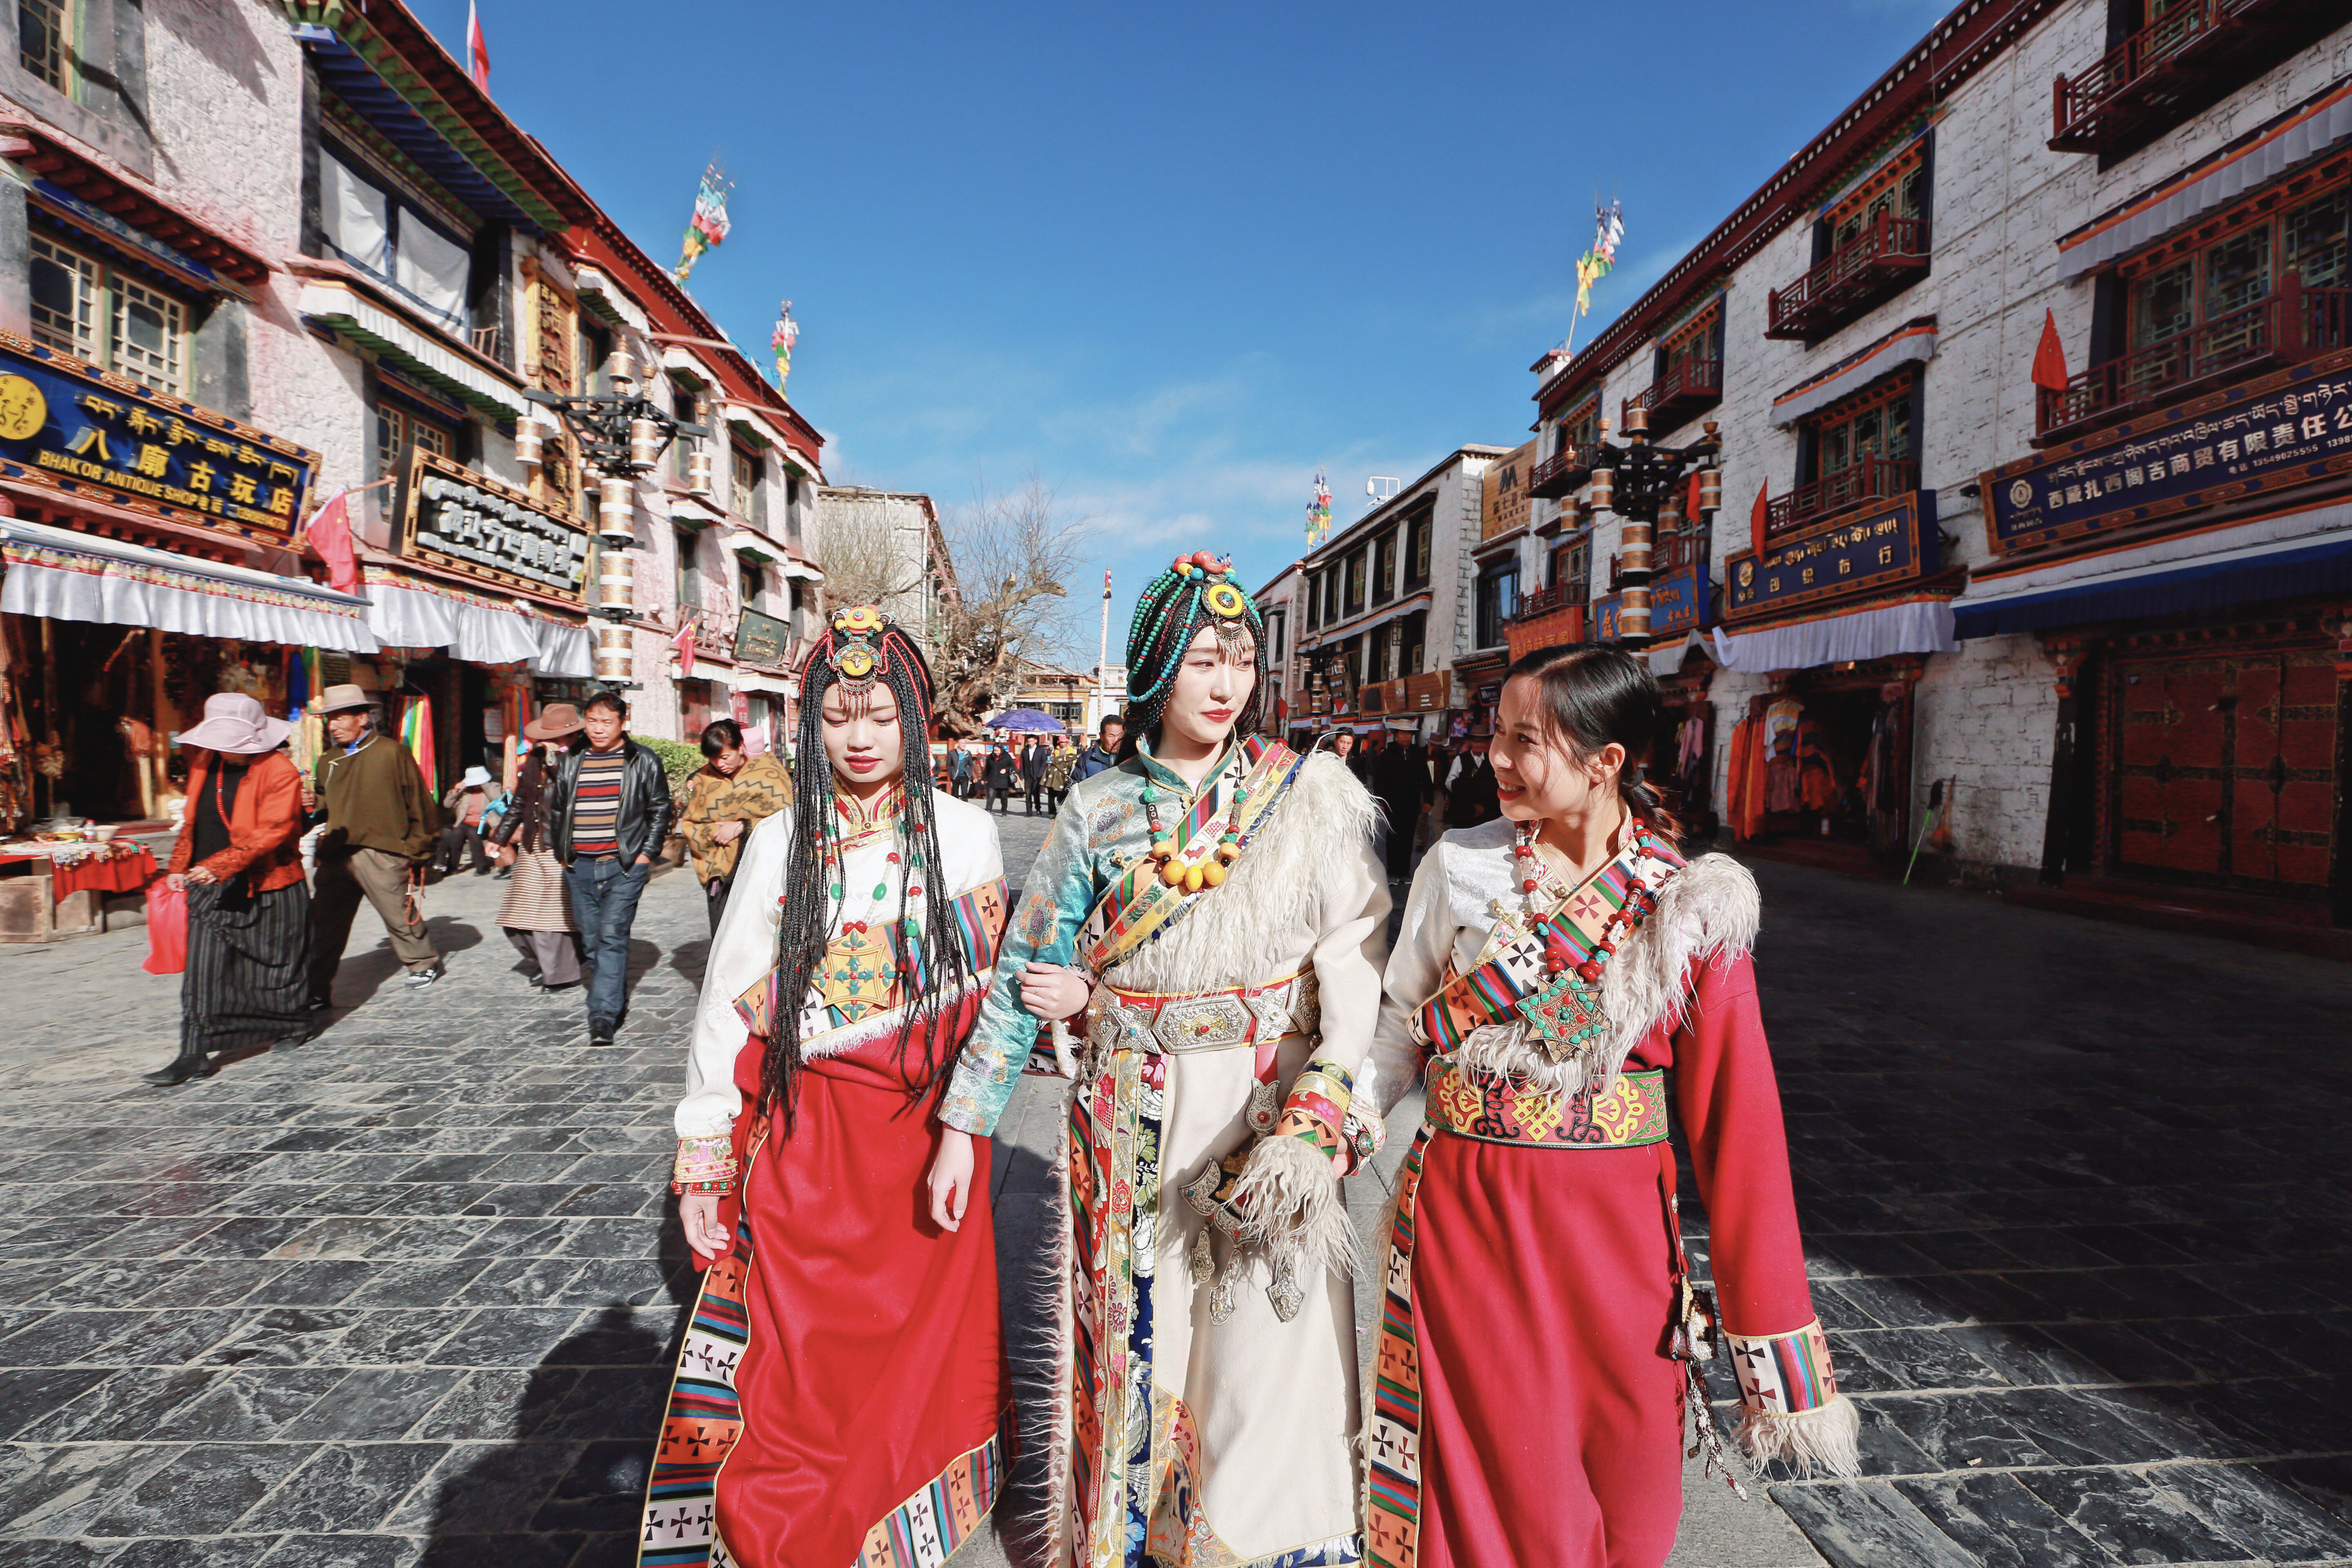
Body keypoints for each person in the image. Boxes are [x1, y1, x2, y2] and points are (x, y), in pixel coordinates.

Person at [929, 550, 1389, 1566]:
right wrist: (965, 1125)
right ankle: (1136, 1536)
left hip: (1266, 1107)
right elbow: (1024, 971)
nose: (1225, 685)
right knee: (1144, 1333)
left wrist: (1322, 1106)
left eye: (1240, 661)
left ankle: (1263, 1544)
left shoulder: (1307, 799)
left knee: (1268, 1346)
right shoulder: (1097, 809)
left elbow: (1353, 961)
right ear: (1153, 673)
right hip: (1133, 1114)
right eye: (1200, 662)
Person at [1363, 647, 1858, 1568]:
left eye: (1525, 740)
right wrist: (1332, 1133)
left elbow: (1739, 1125)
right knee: (1489, 1479)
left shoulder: (1689, 906)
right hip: (1470, 1224)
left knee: (1627, 1492)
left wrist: (1772, 1339)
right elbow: (1401, 1026)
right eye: (1496, 735)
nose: (1496, 759)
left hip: (1619, 1243)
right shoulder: (1460, 866)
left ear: (1606, 761)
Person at [644, 604, 1013, 1567]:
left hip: (924, 1136)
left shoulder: (967, 835)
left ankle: (891, 1523)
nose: (859, 739)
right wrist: (703, 1154)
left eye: (881, 716)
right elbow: (729, 1003)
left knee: (915, 1357)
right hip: (809, 1136)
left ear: (915, 721)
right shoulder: (779, 840)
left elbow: (986, 1015)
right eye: (838, 717)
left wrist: (966, 1132)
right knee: (799, 1357)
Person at [145, 694, 312, 1087]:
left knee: (278, 966)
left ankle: (293, 1024)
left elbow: (274, 830)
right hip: (210, 884)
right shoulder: (205, 762)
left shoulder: (280, 771)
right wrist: (179, 866)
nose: (226, 751)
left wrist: (219, 865)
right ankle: (193, 1053)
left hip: (270, 882)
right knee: (203, 971)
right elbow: (193, 821)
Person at [547, 690, 673, 1047]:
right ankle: (610, 992)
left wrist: (646, 856)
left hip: (623, 866)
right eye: (592, 721)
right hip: (579, 866)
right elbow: (557, 809)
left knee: (611, 936)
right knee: (591, 940)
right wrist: (561, 852)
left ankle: (603, 1016)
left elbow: (660, 810)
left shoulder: (643, 760)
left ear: (622, 723)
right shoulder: (570, 760)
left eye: (606, 722)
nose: (598, 729)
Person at [307, 684, 441, 1004]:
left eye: (340, 718)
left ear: (363, 718)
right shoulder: (328, 760)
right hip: (337, 850)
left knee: (398, 915)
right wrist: (312, 804)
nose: (333, 726)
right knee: (323, 924)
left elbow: (420, 804)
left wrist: (415, 851)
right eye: (330, 720)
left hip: (382, 850)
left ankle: (423, 963)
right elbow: (326, 805)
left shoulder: (391, 753)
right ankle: (314, 988)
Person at [490, 705, 586, 992]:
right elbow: (521, 801)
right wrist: (500, 837)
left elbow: (570, 788)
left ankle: (560, 974)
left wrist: (555, 759)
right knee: (516, 916)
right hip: (533, 845)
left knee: (551, 917)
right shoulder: (534, 760)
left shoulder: (583, 758)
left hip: (564, 846)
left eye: (557, 738)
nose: (550, 742)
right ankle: (550, 962)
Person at [677, 717, 795, 934]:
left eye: (725, 757)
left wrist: (742, 826)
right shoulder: (704, 778)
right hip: (721, 874)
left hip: (763, 872)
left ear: (740, 747)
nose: (719, 764)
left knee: (757, 936)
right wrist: (715, 832)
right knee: (722, 935)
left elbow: (786, 816)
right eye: (713, 758)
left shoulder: (768, 772)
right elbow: (692, 823)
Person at [1373, 728, 1429, 882]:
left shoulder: (1418, 755)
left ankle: (1405, 872)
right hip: (1392, 803)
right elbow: (1380, 780)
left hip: (1412, 803)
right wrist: (1380, 802)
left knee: (1408, 837)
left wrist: (1428, 800)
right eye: (1403, 733)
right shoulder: (1387, 755)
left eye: (1409, 734)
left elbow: (1426, 778)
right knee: (1393, 837)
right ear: (1396, 735)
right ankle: (1393, 871)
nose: (1406, 736)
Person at [434, 765, 501, 877]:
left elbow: (498, 799)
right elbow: (447, 805)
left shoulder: (493, 787)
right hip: (467, 822)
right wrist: (456, 791)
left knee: (473, 832)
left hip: (486, 822)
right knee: (457, 832)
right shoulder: (466, 792)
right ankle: (452, 867)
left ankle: (482, 866)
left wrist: (484, 785)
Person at [1069, 713, 1124, 782]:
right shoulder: (1087, 759)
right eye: (1111, 736)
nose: (1116, 741)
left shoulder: (1130, 757)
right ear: (1102, 736)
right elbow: (1075, 785)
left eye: (1120, 736)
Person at [1043, 732, 1076, 813]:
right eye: (1061, 742)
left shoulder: (1071, 749)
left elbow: (1073, 761)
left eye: (1063, 742)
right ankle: (1052, 812)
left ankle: (1064, 811)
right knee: (1052, 793)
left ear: (1066, 742)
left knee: (1063, 793)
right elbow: (1055, 759)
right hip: (1057, 772)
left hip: (1066, 772)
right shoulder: (1057, 749)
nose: (1062, 744)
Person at [981, 741, 1015, 813]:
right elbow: (987, 769)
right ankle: (988, 810)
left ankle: (1004, 810)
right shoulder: (991, 757)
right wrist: (984, 778)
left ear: (1001, 750)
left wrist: (1006, 770)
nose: (996, 753)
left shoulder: (1007, 757)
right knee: (990, 797)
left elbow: (1013, 767)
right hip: (993, 780)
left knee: (1004, 798)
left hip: (1004, 781)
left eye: (998, 751)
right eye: (995, 751)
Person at [1020, 733, 1049, 814]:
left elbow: (1044, 763)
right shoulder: (1025, 751)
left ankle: (1038, 809)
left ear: (1036, 741)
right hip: (1028, 775)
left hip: (1037, 775)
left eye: (1032, 741)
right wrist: (1022, 775)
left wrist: (1040, 774)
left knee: (1036, 793)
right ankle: (1029, 811)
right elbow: (1022, 763)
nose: (1030, 743)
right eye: (1029, 742)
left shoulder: (1041, 750)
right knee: (1028, 793)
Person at [947, 736, 973, 800]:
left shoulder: (968, 753)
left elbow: (971, 764)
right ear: (958, 744)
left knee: (965, 793)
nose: (964, 745)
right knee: (955, 794)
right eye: (962, 743)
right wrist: (951, 774)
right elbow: (949, 765)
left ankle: (965, 804)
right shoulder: (952, 753)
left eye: (965, 743)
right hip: (955, 775)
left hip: (965, 775)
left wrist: (970, 774)